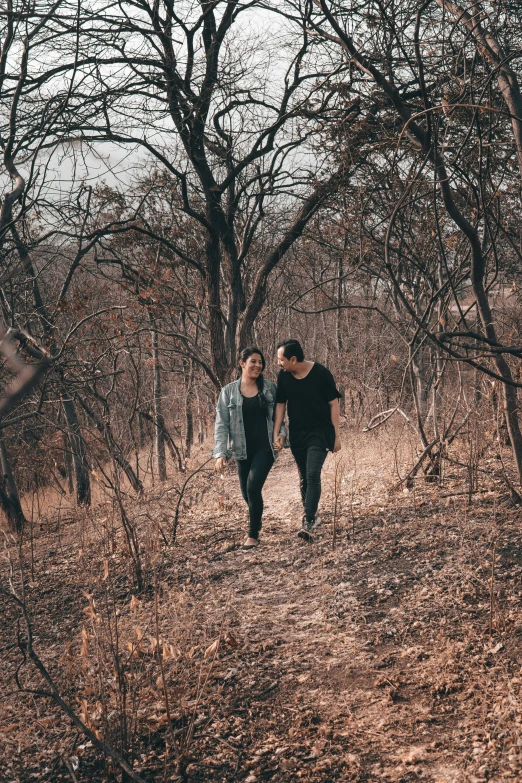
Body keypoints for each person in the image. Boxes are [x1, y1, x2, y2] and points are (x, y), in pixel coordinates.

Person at [213, 347, 285, 550]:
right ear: (242, 363)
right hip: (240, 450)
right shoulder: (228, 392)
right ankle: (258, 519)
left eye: (260, 362)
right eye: (253, 361)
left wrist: (281, 435)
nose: (258, 366)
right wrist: (220, 453)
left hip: (265, 448)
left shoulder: (269, 388)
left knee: (253, 488)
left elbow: (278, 417)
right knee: (247, 494)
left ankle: (253, 535)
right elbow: (221, 424)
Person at [273, 339, 341, 542]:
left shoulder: (321, 373)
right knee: (303, 477)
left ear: (293, 359)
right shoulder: (284, 376)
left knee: (312, 474)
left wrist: (336, 435)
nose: (279, 363)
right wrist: (276, 431)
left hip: (320, 432)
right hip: (297, 434)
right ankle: (312, 516)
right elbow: (280, 405)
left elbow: (334, 404)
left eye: (281, 359)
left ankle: (308, 521)